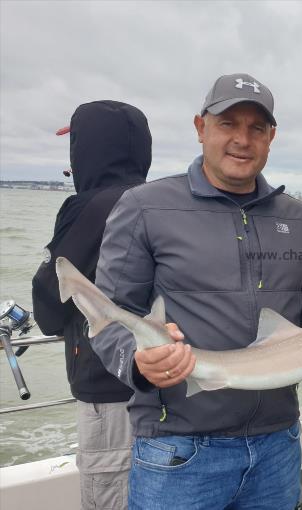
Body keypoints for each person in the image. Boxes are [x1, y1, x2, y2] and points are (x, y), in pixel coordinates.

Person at [91, 73, 302, 510]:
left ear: (271, 137)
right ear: (201, 127)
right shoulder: (145, 207)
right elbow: (109, 318)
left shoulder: (300, 219)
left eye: (256, 128)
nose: (243, 139)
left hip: (278, 444)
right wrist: (140, 365)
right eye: (228, 124)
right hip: (179, 449)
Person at [32, 100, 152, 510]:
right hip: (161, 389)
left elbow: (49, 308)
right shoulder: (159, 200)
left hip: (108, 392)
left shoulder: (91, 206)